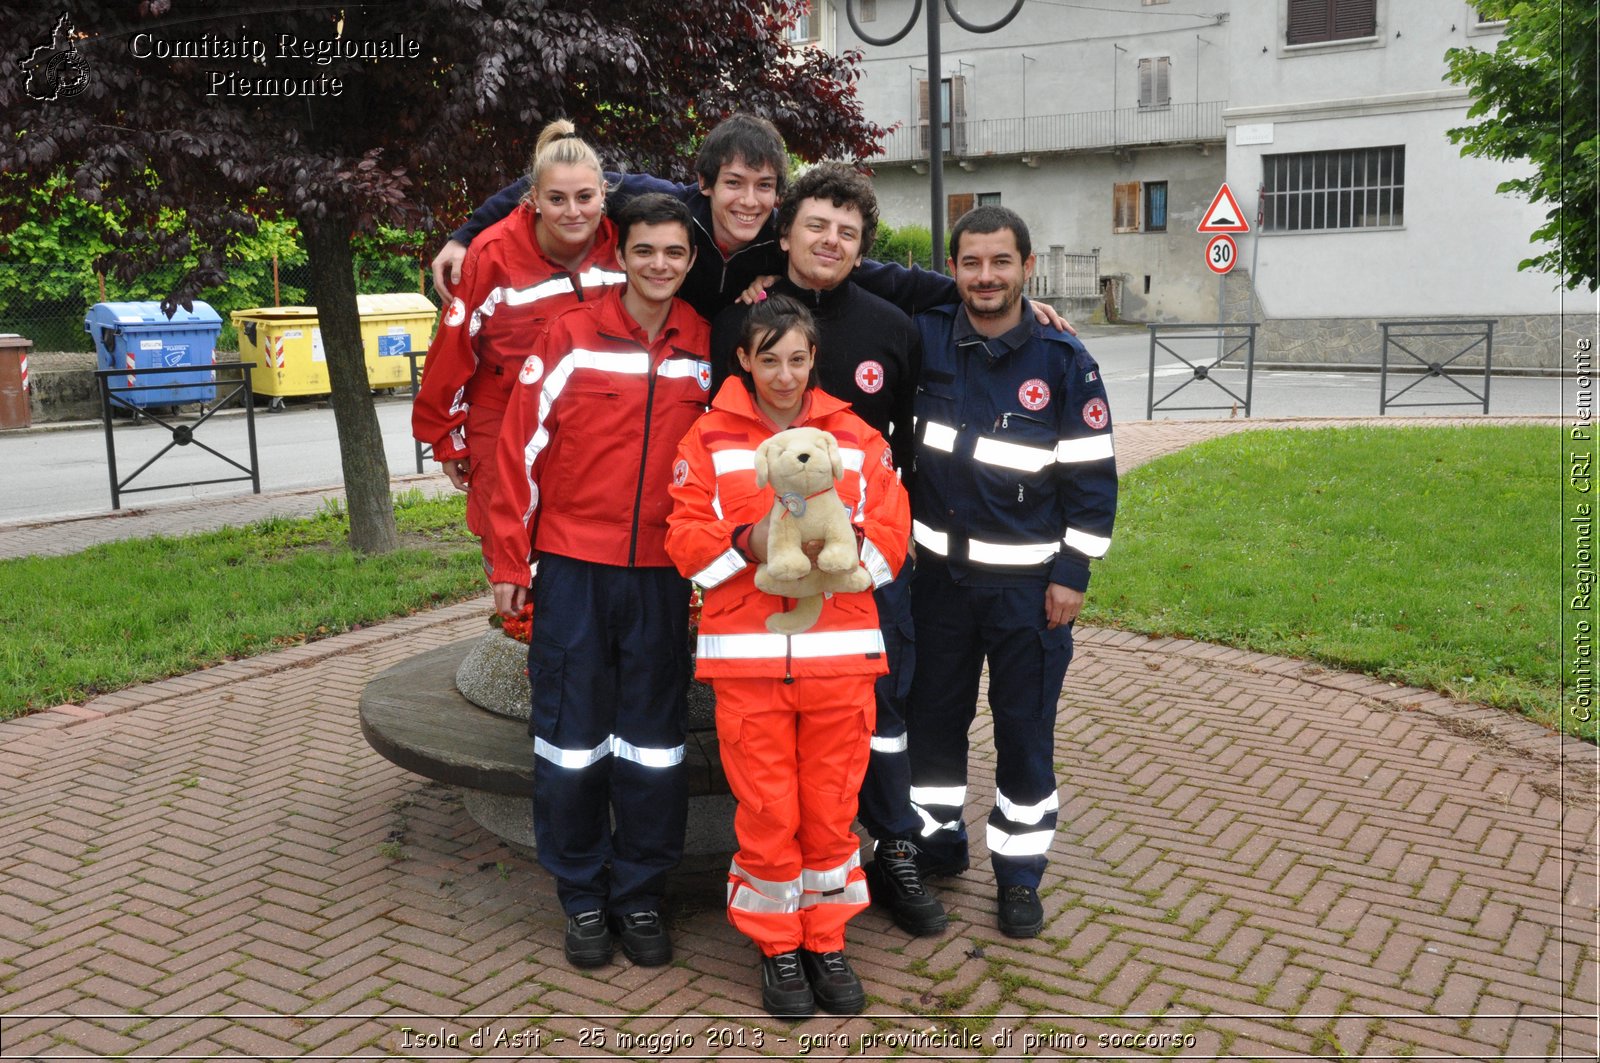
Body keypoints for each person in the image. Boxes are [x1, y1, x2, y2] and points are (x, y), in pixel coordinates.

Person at [709, 163, 944, 937]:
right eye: (817, 224)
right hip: (763, 565)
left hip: (863, 562)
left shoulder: (891, 327)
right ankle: (786, 887)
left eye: (847, 232)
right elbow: (719, 440)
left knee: (883, 707)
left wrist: (884, 548)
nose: (831, 241)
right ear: (786, 232)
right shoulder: (739, 320)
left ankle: (895, 845)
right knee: (777, 732)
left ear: (862, 247)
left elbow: (904, 447)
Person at [482, 193, 711, 970]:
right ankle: (582, 896)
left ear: (688, 261)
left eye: (674, 254)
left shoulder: (705, 347)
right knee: (571, 740)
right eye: (644, 250)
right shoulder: (571, 335)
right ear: (623, 254)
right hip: (573, 569)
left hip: (661, 574)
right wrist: (511, 563)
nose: (658, 265)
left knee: (654, 744)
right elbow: (516, 451)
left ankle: (641, 893)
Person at [665, 295, 910, 1018]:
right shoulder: (706, 439)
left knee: (831, 812)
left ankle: (826, 940)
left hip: (841, 660)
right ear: (744, 359)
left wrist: (838, 554)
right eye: (766, 358)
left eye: (796, 358)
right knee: (768, 811)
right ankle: (778, 945)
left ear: (814, 359)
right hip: (748, 662)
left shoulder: (855, 436)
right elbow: (682, 539)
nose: (783, 373)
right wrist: (750, 542)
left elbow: (892, 529)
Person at [904, 205, 1117, 938]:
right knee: (933, 726)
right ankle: (937, 845)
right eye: (971, 262)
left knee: (1025, 734)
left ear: (1028, 268)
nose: (985, 276)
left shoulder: (1064, 360)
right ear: (953, 269)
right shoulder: (927, 335)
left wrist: (1074, 572)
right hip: (936, 582)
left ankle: (1020, 874)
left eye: (1001, 262)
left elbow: (1092, 478)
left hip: (1030, 593)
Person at [428, 113, 1062, 331]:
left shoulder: (780, 243)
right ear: (705, 182)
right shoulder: (660, 204)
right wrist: (463, 236)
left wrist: (995, 296)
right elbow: (551, 182)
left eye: (764, 187)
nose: (749, 201)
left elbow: (885, 278)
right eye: (733, 183)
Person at [411, 120, 623, 543]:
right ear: (534, 200)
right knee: (514, 563)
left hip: (595, 430)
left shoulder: (624, 248)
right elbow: (451, 354)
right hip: (504, 425)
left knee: (584, 555)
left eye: (585, 197)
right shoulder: (493, 255)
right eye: (557, 199)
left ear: (604, 193)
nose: (573, 211)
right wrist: (447, 440)